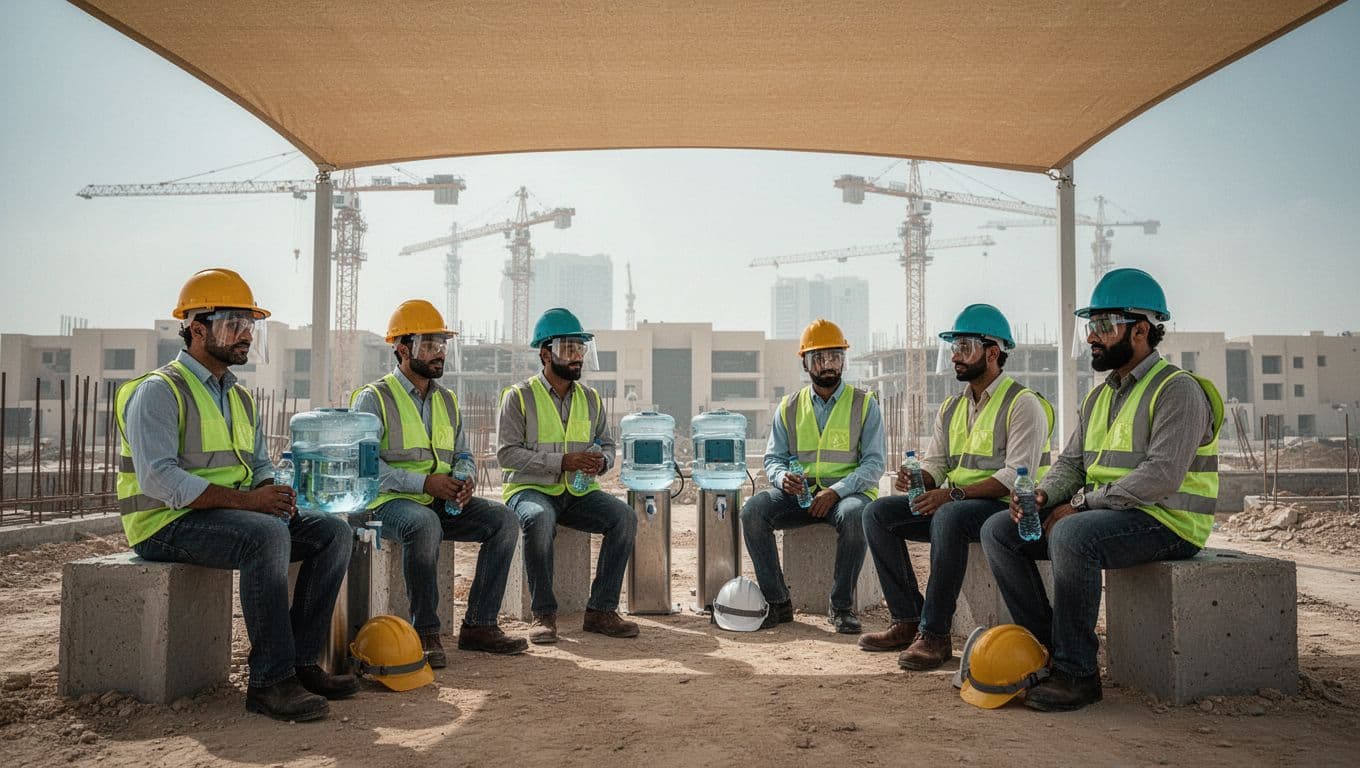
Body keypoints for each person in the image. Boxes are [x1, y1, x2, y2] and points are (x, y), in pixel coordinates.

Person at [116, 268, 355, 722]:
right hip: (163, 523)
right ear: (196, 329)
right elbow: (159, 479)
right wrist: (250, 503)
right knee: (264, 536)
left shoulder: (239, 397)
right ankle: (269, 680)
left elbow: (260, 463)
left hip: (228, 514)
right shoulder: (159, 391)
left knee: (331, 533)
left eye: (250, 326)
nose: (245, 335)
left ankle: (303, 662)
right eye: (233, 324)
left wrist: (270, 490)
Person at [980, 268, 1223, 711]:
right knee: (998, 530)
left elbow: (1162, 475)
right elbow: (1071, 464)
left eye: (1105, 326)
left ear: (1141, 330)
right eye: (1090, 326)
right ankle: (1048, 651)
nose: (1093, 336)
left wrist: (1079, 505)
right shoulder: (1100, 397)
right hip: (1114, 515)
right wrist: (1042, 497)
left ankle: (1078, 675)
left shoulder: (1177, 390)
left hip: (1170, 522)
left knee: (1073, 534)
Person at [859, 304, 1053, 670]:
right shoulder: (951, 407)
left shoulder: (1023, 404)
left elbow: (1017, 475)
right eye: (953, 348)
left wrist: (952, 494)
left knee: (948, 516)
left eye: (965, 348)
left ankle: (935, 634)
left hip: (1002, 509)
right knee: (878, 513)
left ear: (993, 353)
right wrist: (920, 479)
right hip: (957, 504)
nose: (955, 356)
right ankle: (907, 620)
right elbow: (938, 463)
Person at [352, 300, 528, 665]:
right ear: (402, 349)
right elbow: (364, 466)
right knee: (423, 522)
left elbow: (462, 453)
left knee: (504, 521)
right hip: (387, 502)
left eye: (442, 346)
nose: (439, 354)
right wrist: (422, 484)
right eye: (430, 345)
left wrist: (465, 478)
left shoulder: (447, 400)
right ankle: (426, 631)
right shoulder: (374, 398)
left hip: (438, 498)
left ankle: (479, 624)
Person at [497, 307, 639, 643]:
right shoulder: (518, 397)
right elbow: (506, 453)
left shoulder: (590, 399)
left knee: (625, 518)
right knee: (539, 518)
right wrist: (562, 461)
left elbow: (607, 444)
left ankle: (601, 610)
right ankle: (543, 614)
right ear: (545, 353)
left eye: (580, 350)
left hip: (577, 493)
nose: (576, 357)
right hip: (529, 490)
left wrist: (600, 462)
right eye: (568, 349)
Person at [740, 319, 885, 633]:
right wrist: (782, 480)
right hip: (799, 496)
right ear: (805, 363)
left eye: (834, 356)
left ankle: (841, 605)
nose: (827, 364)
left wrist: (838, 491)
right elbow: (773, 459)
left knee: (857, 515)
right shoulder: (789, 407)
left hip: (844, 497)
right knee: (752, 511)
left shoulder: (864, 405)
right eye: (818, 358)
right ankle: (778, 602)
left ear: (844, 359)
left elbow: (874, 465)